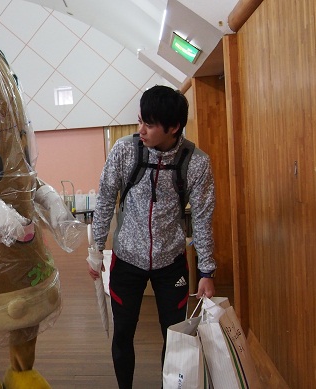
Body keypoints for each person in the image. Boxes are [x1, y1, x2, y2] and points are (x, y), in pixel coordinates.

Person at [89, 85, 216, 388]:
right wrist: (95, 250)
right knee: (123, 334)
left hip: (171, 263)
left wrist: (207, 271)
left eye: (148, 123)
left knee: (174, 338)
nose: (140, 129)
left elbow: (202, 218)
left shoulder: (196, 163)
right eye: (139, 120)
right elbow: (106, 198)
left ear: (173, 127)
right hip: (126, 261)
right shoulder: (125, 150)